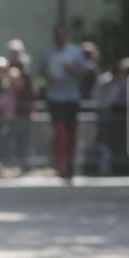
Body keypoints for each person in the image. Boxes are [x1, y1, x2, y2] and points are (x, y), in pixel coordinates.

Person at [43, 22, 85, 181]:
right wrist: (46, 78)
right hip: (55, 98)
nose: (59, 38)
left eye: (62, 35)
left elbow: (84, 73)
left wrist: (72, 70)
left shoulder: (75, 52)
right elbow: (42, 74)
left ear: (66, 36)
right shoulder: (49, 53)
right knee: (60, 132)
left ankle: (71, 163)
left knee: (72, 133)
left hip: (72, 98)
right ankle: (61, 165)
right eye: (56, 35)